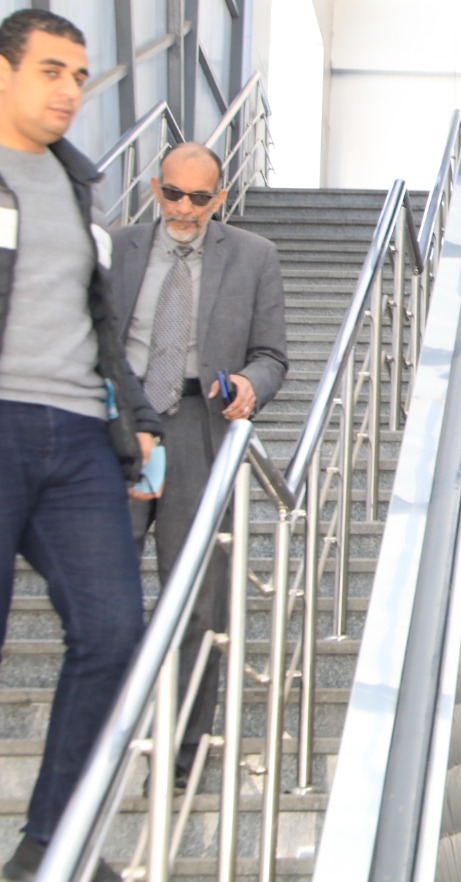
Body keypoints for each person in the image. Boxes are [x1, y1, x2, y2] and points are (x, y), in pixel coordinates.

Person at [0, 9, 158, 882]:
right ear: (4, 72)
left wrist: (135, 417)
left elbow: (99, 324)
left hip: (76, 437)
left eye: (80, 77)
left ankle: (50, 845)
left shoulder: (78, 186)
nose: (69, 91)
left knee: (113, 631)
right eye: (51, 71)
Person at [112, 142, 287, 787]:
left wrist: (249, 384)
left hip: (200, 432)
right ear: (155, 187)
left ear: (220, 196)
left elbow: (272, 356)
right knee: (104, 592)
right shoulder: (116, 250)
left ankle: (181, 758)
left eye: (199, 197)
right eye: (172, 194)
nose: (183, 209)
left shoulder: (254, 256)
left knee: (198, 600)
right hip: (122, 429)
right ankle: (105, 742)